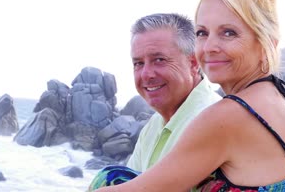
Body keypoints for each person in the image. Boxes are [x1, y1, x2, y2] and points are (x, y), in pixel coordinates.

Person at [91, 0, 285, 191]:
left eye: (229, 33)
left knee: (108, 177)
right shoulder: (281, 103)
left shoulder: (229, 115)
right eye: (202, 33)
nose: (210, 47)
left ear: (265, 44)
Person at [88, 13, 222, 190]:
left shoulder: (213, 120)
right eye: (138, 63)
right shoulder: (153, 126)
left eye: (159, 60)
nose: (146, 74)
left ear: (193, 63)